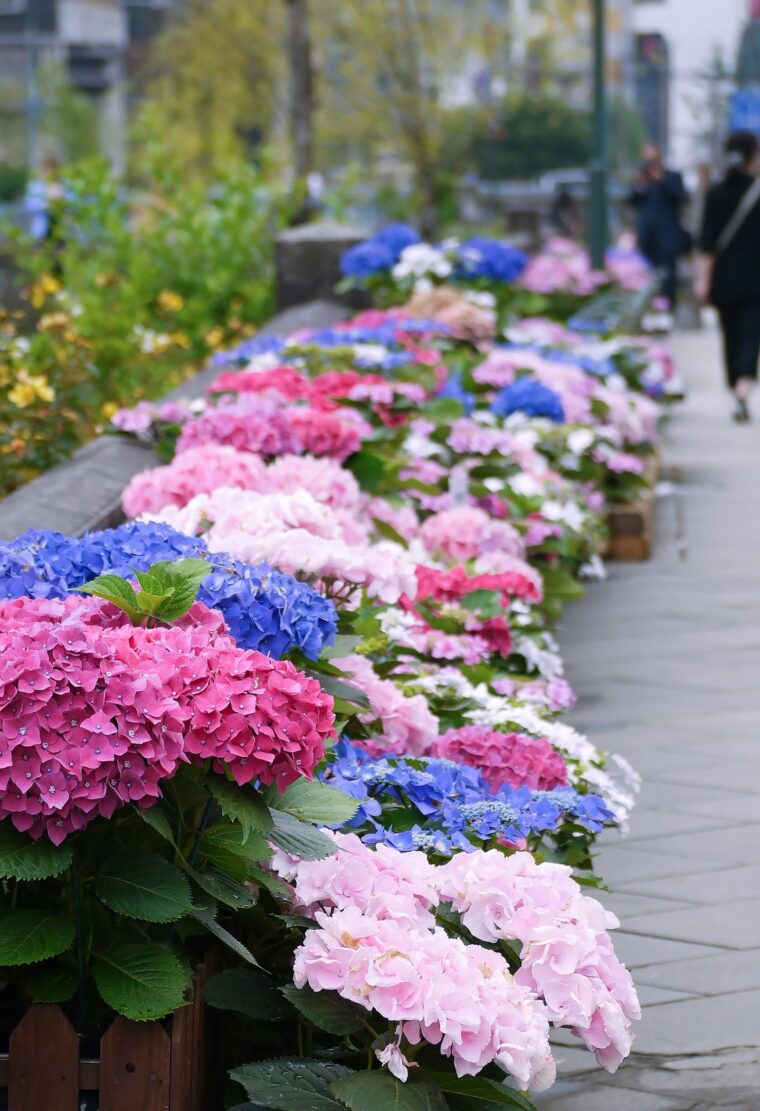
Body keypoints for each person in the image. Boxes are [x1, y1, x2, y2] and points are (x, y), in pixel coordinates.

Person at [695, 131, 760, 422]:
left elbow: (707, 243)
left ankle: (735, 384)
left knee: (730, 335)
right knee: (750, 336)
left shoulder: (715, 193)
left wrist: (703, 280)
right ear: (753, 156)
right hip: (755, 279)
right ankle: (743, 388)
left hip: (724, 278)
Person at [628, 143, 688, 308]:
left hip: (668, 236)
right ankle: (650, 307)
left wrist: (661, 180)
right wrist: (640, 184)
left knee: (668, 275)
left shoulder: (672, 177)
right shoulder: (642, 178)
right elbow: (632, 200)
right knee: (647, 274)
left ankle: (668, 307)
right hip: (647, 236)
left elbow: (681, 197)